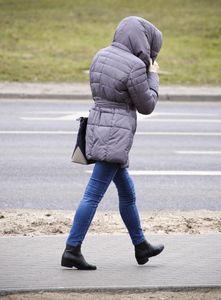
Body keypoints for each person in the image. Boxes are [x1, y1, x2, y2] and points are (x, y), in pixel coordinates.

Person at [61, 16, 164, 270]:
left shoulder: (100, 55)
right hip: (115, 135)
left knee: (127, 193)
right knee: (93, 194)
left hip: (99, 126)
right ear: (142, 40)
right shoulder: (135, 66)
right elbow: (147, 105)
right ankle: (71, 250)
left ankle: (141, 246)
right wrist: (153, 76)